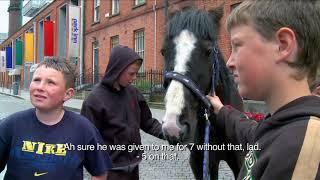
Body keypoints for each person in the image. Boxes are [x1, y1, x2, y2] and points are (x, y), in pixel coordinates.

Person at [207, 1, 320, 179]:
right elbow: (250, 131)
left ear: (282, 45)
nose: (229, 63)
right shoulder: (282, 128)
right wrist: (221, 109)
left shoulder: (303, 150)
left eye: (237, 46)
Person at [0, 58, 112, 180]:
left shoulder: (83, 129)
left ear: (68, 94)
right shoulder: (11, 125)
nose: (40, 87)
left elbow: (100, 172)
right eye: (37, 80)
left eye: (50, 82)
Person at [81, 45, 164, 180]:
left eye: (136, 73)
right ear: (117, 70)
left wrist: (168, 133)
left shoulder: (133, 93)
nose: (135, 77)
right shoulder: (94, 100)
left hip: (133, 167)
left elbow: (148, 122)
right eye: (131, 73)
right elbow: (88, 141)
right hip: (109, 171)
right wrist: (97, 171)